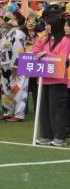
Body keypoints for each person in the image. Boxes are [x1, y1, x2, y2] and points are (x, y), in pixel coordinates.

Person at [32, 10, 70, 147]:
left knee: (57, 109)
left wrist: (45, 53)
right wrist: (39, 48)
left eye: (48, 24)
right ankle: (46, 135)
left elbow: (63, 58)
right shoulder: (44, 39)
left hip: (58, 79)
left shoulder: (65, 40)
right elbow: (35, 53)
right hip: (43, 78)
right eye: (45, 24)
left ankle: (60, 136)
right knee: (44, 108)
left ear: (54, 25)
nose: (46, 27)